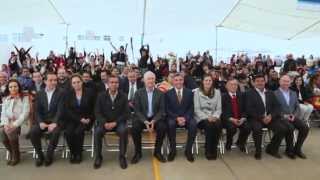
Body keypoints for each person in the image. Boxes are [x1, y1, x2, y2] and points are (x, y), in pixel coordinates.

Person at [245, 74, 287, 160]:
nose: (260, 83)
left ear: (265, 82)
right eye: (257, 81)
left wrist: (271, 116)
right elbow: (248, 109)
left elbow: (277, 107)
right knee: (257, 129)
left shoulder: (270, 93)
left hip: (270, 118)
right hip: (255, 118)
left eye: (262, 81)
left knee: (282, 129)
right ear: (253, 83)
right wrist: (261, 118)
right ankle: (258, 150)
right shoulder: (248, 93)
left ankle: (272, 149)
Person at [93, 75, 129, 169]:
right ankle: (98, 157)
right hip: (105, 122)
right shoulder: (101, 96)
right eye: (112, 82)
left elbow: (126, 113)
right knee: (97, 132)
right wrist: (104, 122)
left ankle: (122, 157)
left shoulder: (124, 96)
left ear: (119, 84)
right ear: (108, 84)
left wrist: (115, 122)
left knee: (124, 131)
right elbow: (97, 112)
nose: (114, 84)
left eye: (116, 82)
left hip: (118, 123)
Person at [30, 72, 65, 167]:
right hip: (43, 121)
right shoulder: (40, 93)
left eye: (55, 80)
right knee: (33, 132)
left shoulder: (61, 92)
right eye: (51, 80)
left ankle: (49, 155)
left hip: (56, 121)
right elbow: (37, 110)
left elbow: (60, 110)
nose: (54, 82)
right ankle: (40, 155)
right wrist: (40, 122)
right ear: (45, 81)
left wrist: (54, 123)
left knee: (55, 132)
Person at [131, 71, 166, 164]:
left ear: (155, 80)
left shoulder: (160, 93)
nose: (150, 80)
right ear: (144, 80)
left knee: (162, 127)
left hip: (155, 118)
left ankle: (157, 152)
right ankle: (138, 153)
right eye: (148, 79)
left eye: (152, 78)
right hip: (142, 118)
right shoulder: (138, 93)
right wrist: (145, 121)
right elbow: (137, 110)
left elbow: (162, 110)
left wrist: (154, 120)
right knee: (135, 128)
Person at [274, 75, 309, 159]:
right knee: (290, 127)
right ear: (280, 82)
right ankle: (289, 150)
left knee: (305, 127)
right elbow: (273, 109)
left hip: (293, 116)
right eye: (284, 81)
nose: (286, 83)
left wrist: (294, 115)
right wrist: (284, 116)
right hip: (280, 118)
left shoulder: (293, 93)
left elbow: (297, 107)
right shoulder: (274, 93)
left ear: (290, 83)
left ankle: (297, 149)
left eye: (287, 81)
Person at [165, 73, 197, 162]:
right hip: (173, 117)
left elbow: (191, 108)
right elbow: (167, 109)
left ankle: (188, 150)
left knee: (193, 124)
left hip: (186, 117)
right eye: (176, 80)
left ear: (183, 81)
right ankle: (173, 150)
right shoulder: (167, 93)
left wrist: (185, 118)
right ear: (173, 81)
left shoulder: (189, 92)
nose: (178, 82)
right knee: (170, 124)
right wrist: (177, 118)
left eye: (180, 80)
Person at [64, 74, 95, 164]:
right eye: (74, 83)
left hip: (87, 119)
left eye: (78, 82)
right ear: (71, 84)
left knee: (78, 132)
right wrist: (79, 119)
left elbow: (95, 108)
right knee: (68, 132)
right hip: (73, 119)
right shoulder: (68, 94)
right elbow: (67, 110)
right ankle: (73, 153)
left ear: (82, 82)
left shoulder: (90, 92)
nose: (76, 84)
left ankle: (79, 153)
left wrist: (89, 118)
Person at [0, 79, 30, 166]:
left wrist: (14, 124)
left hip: (20, 123)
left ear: (18, 87)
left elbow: (25, 114)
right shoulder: (6, 98)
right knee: (1, 132)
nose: (13, 88)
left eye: (15, 86)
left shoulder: (24, 97)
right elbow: (3, 113)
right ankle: (12, 152)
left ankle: (16, 155)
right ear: (8, 88)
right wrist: (6, 124)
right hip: (7, 122)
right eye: (11, 87)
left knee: (11, 131)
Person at [194, 74, 222, 160]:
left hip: (214, 116)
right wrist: (207, 117)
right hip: (201, 118)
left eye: (210, 80)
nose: (208, 82)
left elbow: (219, 108)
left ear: (212, 82)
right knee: (209, 125)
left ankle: (214, 149)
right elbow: (197, 109)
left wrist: (215, 116)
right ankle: (208, 150)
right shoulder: (197, 92)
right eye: (206, 80)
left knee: (218, 124)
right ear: (202, 81)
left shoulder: (217, 92)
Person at [221, 78, 251, 152]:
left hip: (240, 119)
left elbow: (246, 109)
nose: (234, 86)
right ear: (227, 86)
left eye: (235, 85)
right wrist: (231, 119)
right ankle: (229, 142)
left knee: (248, 127)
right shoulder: (223, 97)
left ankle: (240, 142)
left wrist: (243, 118)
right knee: (232, 128)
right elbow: (221, 111)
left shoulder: (242, 95)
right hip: (228, 119)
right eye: (231, 85)